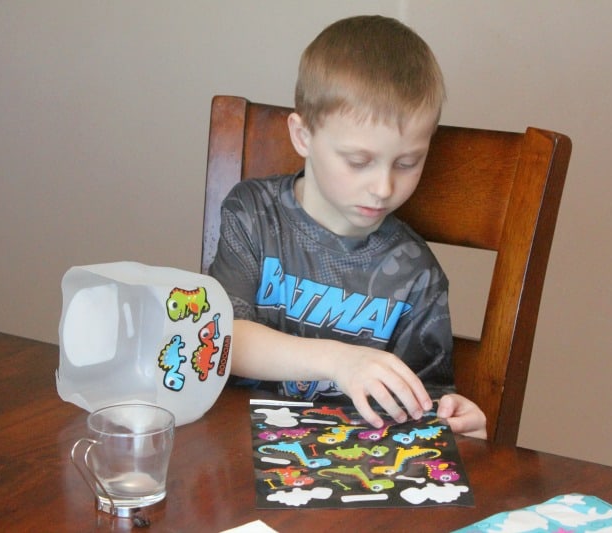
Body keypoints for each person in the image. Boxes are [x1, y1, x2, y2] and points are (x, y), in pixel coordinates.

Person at [208, 15, 486, 438]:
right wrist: (340, 361)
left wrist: (453, 421)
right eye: (358, 162)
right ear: (303, 137)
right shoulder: (253, 215)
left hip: (346, 471)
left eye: (408, 163)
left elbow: (422, 407)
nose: (383, 187)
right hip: (231, 450)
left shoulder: (417, 276)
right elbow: (221, 338)